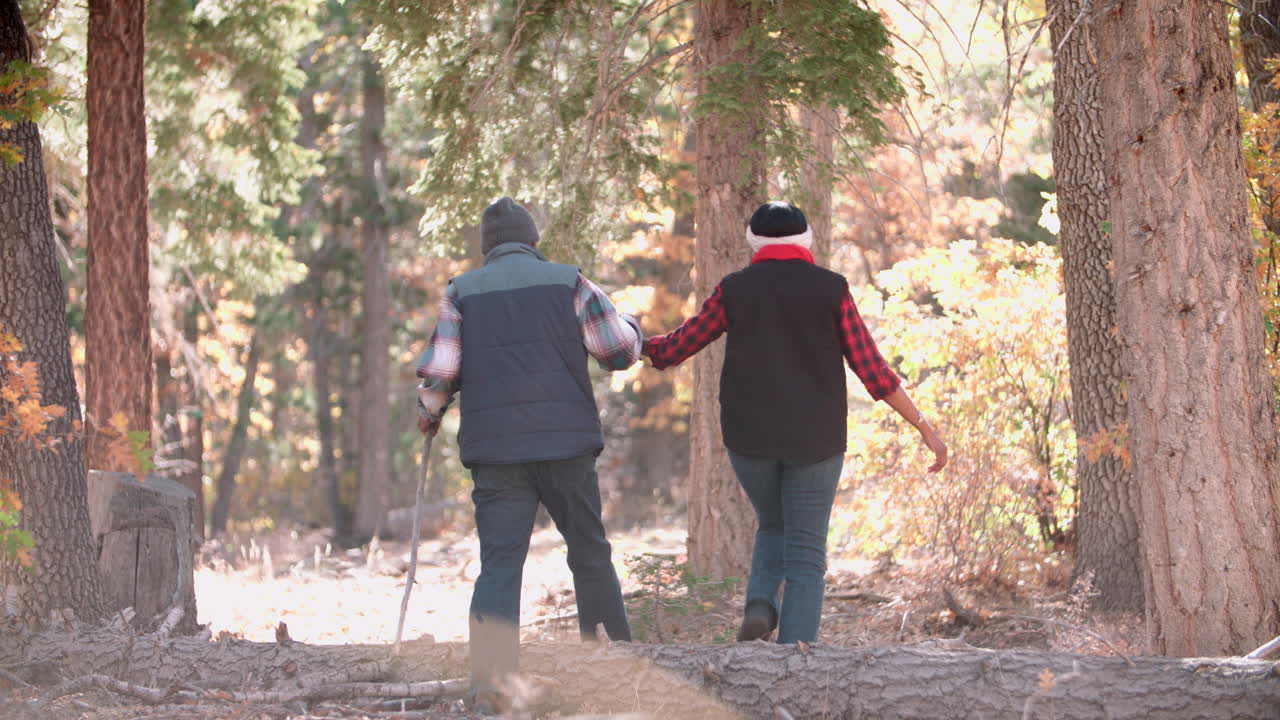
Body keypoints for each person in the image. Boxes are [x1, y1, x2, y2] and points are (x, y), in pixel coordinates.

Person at [643, 201, 948, 645]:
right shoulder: (832, 289)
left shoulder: (735, 289)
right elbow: (872, 369)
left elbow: (676, 347)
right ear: (806, 240)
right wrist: (924, 426)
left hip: (750, 441)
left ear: (753, 243)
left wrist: (627, 341)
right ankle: (797, 661)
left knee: (773, 523)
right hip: (815, 441)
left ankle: (761, 606)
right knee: (805, 556)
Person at [414, 197, 641, 707]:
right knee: (589, 551)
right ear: (534, 242)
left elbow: (441, 372)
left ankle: (491, 688)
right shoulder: (569, 281)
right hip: (566, 446)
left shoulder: (462, 292)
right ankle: (610, 669)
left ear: (487, 249)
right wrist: (634, 326)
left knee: (499, 563)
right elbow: (618, 352)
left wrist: (429, 413)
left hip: (497, 454)